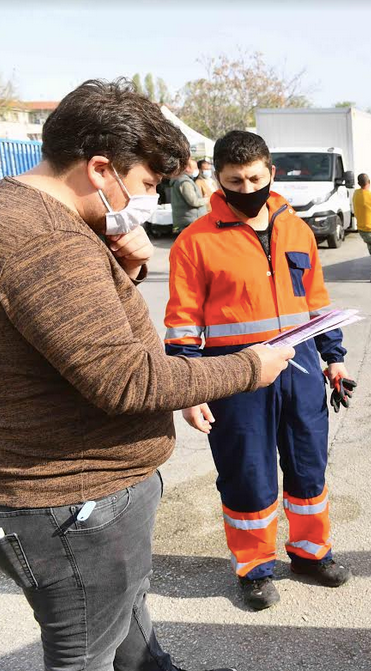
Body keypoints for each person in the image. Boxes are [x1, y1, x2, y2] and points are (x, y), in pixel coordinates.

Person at [0, 79, 294, 671]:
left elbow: (72, 332)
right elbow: (126, 380)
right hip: (74, 499)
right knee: (85, 650)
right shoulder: (47, 240)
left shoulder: (30, 217)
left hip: (87, 492)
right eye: (147, 185)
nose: (149, 200)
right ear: (102, 169)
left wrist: (122, 270)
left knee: (126, 618)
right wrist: (249, 367)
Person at [165, 130, 354, 611]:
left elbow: (316, 301)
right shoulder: (195, 242)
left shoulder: (299, 229)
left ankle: (311, 553)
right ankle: (254, 568)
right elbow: (182, 319)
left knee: (309, 466)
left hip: (302, 367)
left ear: (271, 173)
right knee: (247, 473)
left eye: (254, 178)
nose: (246, 188)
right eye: (234, 180)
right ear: (218, 179)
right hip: (235, 375)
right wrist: (190, 389)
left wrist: (333, 357)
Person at [170, 158, 209, 232]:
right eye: (195, 168)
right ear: (187, 168)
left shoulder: (182, 180)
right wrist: (206, 200)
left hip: (188, 219)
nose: (196, 170)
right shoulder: (185, 182)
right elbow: (193, 201)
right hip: (191, 220)